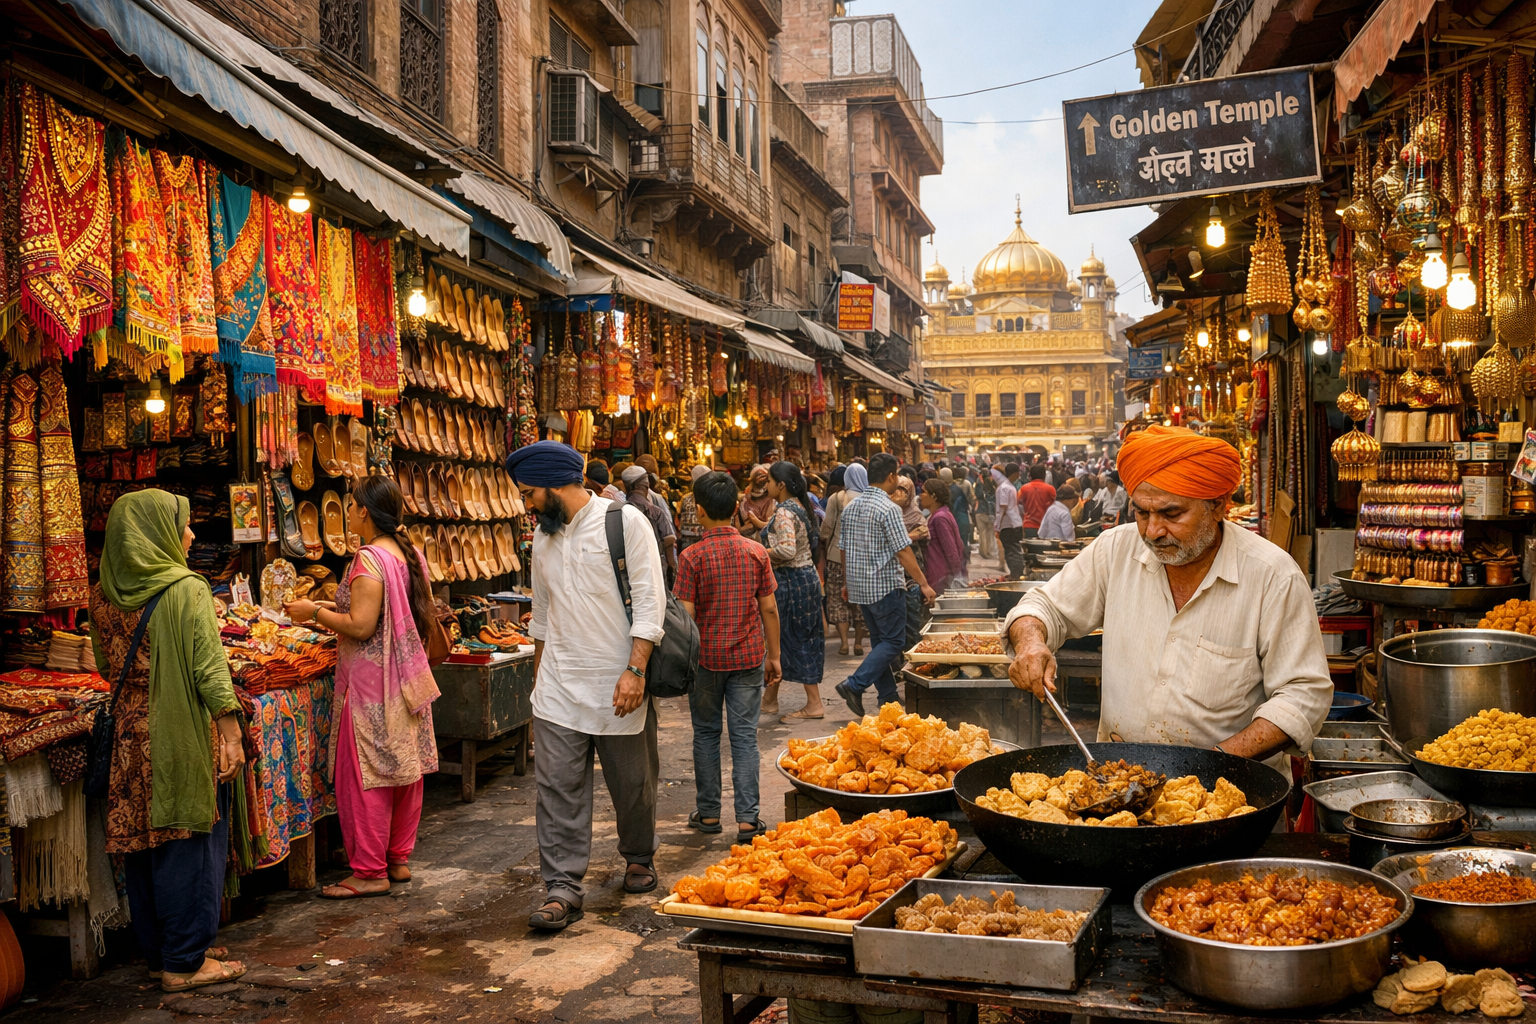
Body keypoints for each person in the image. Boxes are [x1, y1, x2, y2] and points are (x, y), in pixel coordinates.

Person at [1004, 426, 1331, 780]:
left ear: (1218, 506)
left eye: (1171, 514)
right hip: (1117, 783)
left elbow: (1302, 694)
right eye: (1142, 513)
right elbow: (1043, 607)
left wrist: (1215, 762)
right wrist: (1031, 642)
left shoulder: (1273, 576)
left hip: (1232, 789)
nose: (1152, 531)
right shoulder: (1115, 550)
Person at [506, 441, 667, 931]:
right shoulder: (543, 538)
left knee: (633, 786)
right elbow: (542, 617)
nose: (527, 504)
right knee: (557, 792)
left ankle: (638, 855)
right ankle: (562, 887)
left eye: (530, 494)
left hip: (619, 684)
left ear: (555, 485)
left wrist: (636, 670)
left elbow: (650, 601)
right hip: (559, 686)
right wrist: (539, 686)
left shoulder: (625, 522)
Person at [90, 490, 246, 992]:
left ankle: (161, 954)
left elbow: (103, 664)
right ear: (156, 531)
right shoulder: (186, 589)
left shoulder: (103, 594)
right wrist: (231, 734)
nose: (192, 535)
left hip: (129, 737)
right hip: (176, 733)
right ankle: (185, 962)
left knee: (143, 845)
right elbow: (209, 669)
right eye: (183, 524)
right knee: (186, 843)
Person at [285, 476, 440, 900]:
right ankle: (396, 858)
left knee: (365, 774)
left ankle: (370, 872)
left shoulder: (369, 559)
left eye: (352, 506)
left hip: (374, 685)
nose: (349, 512)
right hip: (406, 679)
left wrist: (313, 612)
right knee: (402, 769)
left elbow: (361, 625)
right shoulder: (408, 553)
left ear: (364, 513)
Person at [676, 472, 781, 839]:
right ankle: (748, 819)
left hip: (704, 661)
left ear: (699, 511)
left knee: (706, 734)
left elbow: (686, 616)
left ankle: (708, 815)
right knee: (745, 737)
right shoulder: (756, 552)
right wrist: (774, 656)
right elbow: (769, 608)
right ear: (737, 508)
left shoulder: (690, 557)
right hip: (748, 658)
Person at [834, 452, 936, 715]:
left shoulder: (851, 506)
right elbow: (903, 551)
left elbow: (844, 549)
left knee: (880, 642)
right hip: (885, 587)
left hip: (860, 588)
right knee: (893, 642)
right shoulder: (889, 508)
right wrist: (924, 584)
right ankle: (854, 684)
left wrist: (846, 582)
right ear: (891, 476)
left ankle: (888, 697)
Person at [759, 461, 826, 722]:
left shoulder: (785, 512)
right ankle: (769, 699)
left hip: (792, 582)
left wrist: (760, 551)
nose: (766, 485)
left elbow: (787, 550)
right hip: (804, 579)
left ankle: (814, 704)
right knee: (785, 639)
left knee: (796, 640)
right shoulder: (798, 506)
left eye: (769, 481)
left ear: (781, 485)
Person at [820, 464, 868, 657]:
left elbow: (827, 527)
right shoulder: (870, 499)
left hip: (836, 557)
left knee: (838, 599)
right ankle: (858, 643)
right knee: (860, 601)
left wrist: (823, 540)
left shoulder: (837, 498)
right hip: (863, 560)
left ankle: (844, 643)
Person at [892, 474, 929, 649]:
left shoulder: (915, 513)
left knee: (913, 620)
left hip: (912, 575)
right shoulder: (888, 512)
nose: (899, 495)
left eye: (903, 490)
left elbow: (923, 530)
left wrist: (904, 538)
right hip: (893, 576)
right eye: (896, 490)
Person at [621, 465, 677, 579]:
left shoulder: (619, 510)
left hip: (631, 569)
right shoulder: (656, 512)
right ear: (647, 486)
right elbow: (669, 539)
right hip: (655, 569)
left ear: (626, 487)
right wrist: (672, 567)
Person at [921, 479, 968, 594]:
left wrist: (957, 576)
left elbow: (951, 550)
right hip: (940, 575)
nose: (920, 495)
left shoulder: (940, 518)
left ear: (934, 496)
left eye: (924, 492)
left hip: (941, 577)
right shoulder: (940, 514)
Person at [993, 463, 1025, 579]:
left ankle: (1016, 574)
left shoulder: (1004, 487)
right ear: (1015, 473)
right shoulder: (1008, 487)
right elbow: (1004, 507)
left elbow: (1002, 508)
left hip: (1008, 524)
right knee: (1014, 549)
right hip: (1012, 523)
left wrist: (997, 526)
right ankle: (1017, 573)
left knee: (1011, 551)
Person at [675, 464, 711, 554]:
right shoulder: (711, 499)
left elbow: (677, 517)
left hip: (688, 541)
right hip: (705, 540)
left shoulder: (685, 498)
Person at [734, 465, 775, 541]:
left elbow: (774, 525)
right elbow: (743, 528)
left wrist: (759, 523)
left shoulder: (772, 500)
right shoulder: (744, 502)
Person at [1020, 464, 1057, 540]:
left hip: (1028, 525)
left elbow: (1020, 507)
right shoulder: (1050, 489)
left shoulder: (1024, 489)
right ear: (1044, 475)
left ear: (1030, 475)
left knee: (1030, 546)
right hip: (1047, 526)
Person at [974, 467, 996, 562]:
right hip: (991, 512)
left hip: (980, 510)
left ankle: (984, 552)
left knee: (982, 532)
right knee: (990, 532)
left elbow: (977, 495)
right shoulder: (992, 485)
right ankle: (990, 551)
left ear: (981, 475)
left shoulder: (979, 484)